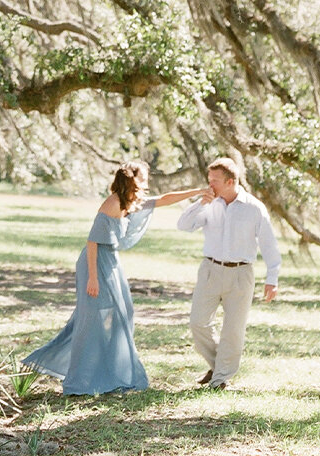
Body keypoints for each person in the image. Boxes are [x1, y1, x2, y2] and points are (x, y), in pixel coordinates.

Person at [22, 162, 207, 395]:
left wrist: (198, 192)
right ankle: (80, 379)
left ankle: (112, 372)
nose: (148, 181)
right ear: (134, 180)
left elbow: (166, 198)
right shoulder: (113, 203)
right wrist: (92, 278)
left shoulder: (133, 202)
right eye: (145, 177)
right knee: (92, 317)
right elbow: (92, 242)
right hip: (95, 263)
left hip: (111, 261)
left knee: (123, 313)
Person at [176, 156, 281, 391]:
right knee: (197, 323)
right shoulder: (209, 204)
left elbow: (269, 246)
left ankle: (220, 378)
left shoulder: (254, 208)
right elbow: (183, 225)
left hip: (241, 274)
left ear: (230, 182)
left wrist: (271, 279)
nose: (209, 185)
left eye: (214, 181)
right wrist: (199, 203)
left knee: (233, 330)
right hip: (210, 270)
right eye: (209, 180)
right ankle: (219, 365)